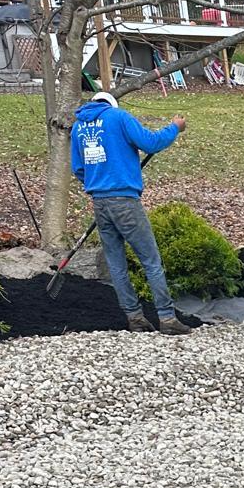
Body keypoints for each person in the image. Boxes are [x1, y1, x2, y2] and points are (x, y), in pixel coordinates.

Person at [70, 91, 190, 335]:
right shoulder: (118, 117)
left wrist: (97, 182)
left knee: (116, 264)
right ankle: (167, 318)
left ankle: (134, 318)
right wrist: (175, 128)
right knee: (151, 260)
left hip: (100, 202)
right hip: (124, 200)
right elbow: (151, 143)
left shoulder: (78, 127)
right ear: (110, 104)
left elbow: (78, 168)